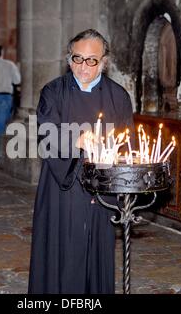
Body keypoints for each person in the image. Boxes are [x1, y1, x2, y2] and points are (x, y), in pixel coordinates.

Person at [28, 29, 135, 294]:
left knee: (97, 254)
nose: (83, 66)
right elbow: (45, 133)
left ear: (104, 62)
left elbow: (127, 143)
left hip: (103, 190)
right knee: (64, 255)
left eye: (92, 60)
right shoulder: (53, 92)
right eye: (77, 59)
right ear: (69, 59)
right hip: (63, 188)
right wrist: (76, 139)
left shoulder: (118, 96)